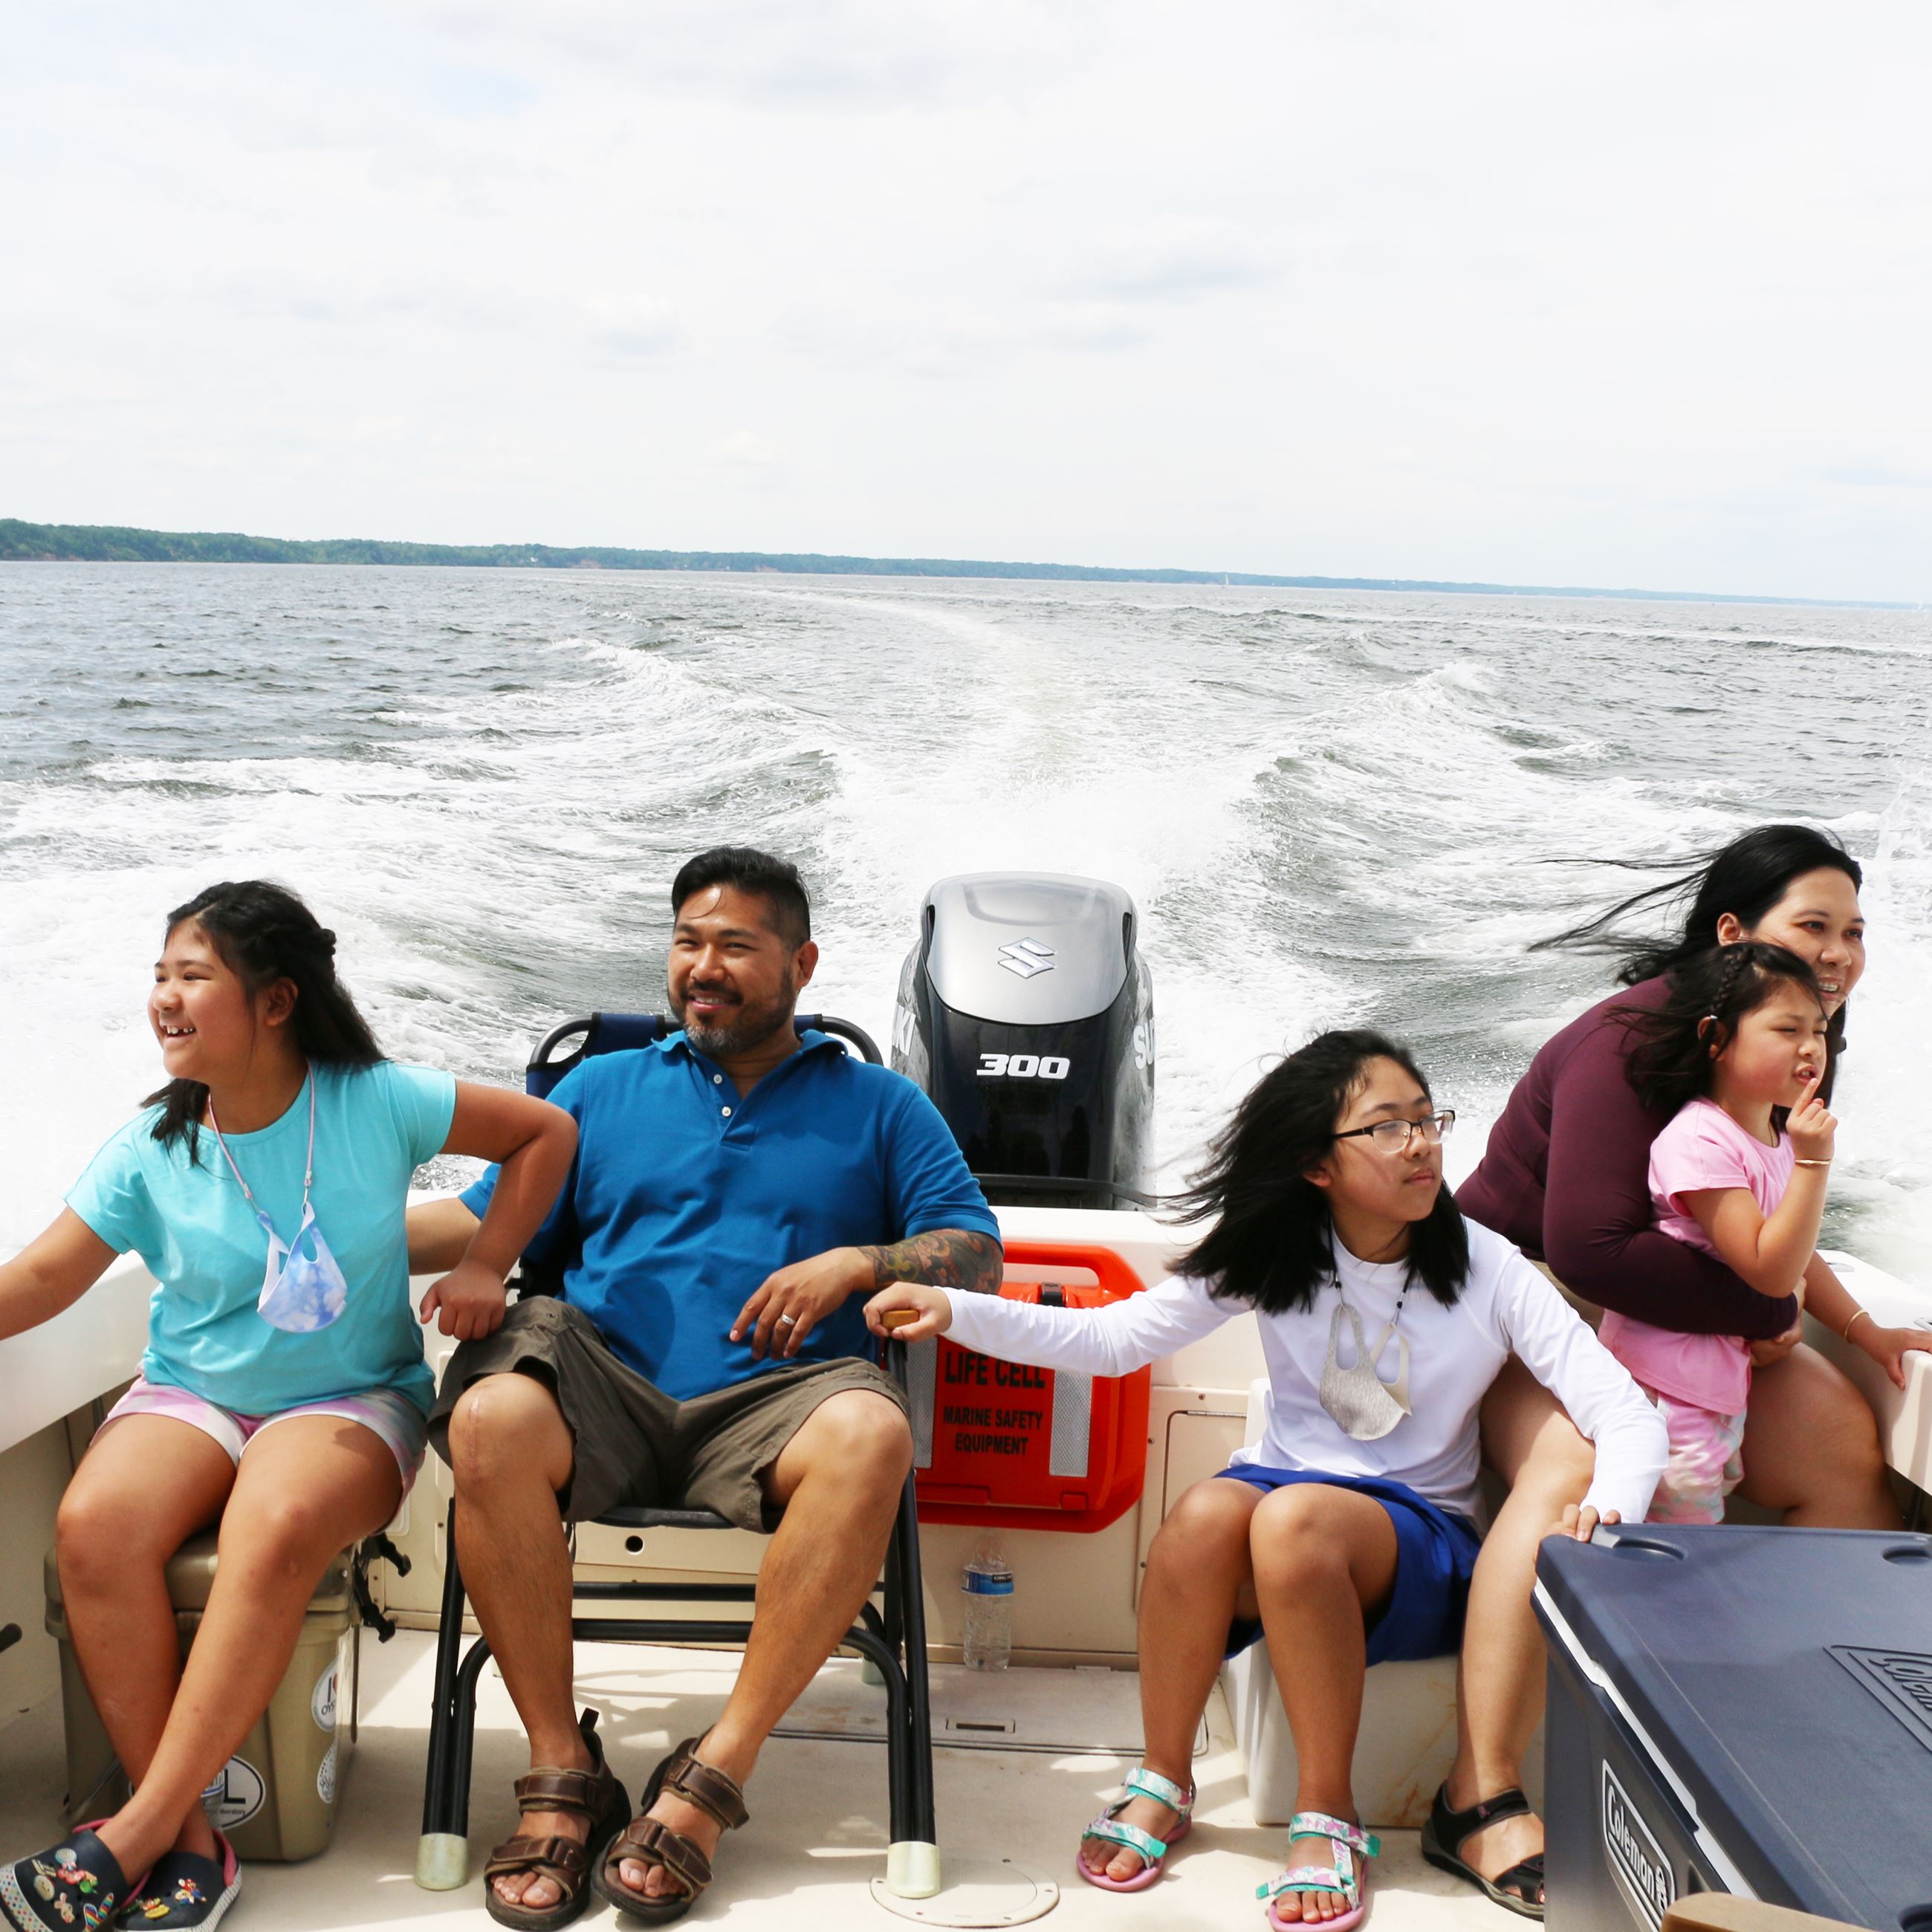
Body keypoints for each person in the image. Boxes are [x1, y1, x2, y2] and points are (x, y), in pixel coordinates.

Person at [866, 1029, 1666, 1931]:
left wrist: (1611, 1506)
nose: (1420, 1144)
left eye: (1426, 1118)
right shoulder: (1274, 1249)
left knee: (1290, 1520)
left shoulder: (1487, 1266)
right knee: (1205, 1509)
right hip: (1279, 1503)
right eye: (1387, 1126)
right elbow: (1113, 1338)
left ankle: (1326, 1811)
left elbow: (1625, 1413)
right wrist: (953, 1308)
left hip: (1416, 1537)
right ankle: (1164, 1775)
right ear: (1316, 1165)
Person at [406, 846, 1002, 1929]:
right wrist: (312, 1232)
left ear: (801, 965)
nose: (703, 967)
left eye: (735, 945)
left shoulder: (881, 1105)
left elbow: (975, 1249)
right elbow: (478, 1222)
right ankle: (563, 1768)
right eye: (687, 942)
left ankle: (713, 1773)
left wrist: (859, 1262)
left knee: (874, 1435)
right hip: (600, 1383)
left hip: (783, 1402)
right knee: (487, 1413)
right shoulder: (597, 1090)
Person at [0, 881, 577, 1932]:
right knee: (91, 1527)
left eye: (192, 976)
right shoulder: (151, 1146)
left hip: (350, 1397)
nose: (165, 998)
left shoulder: (376, 1098)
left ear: (274, 1001)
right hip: (192, 1390)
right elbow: (43, 1279)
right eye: (160, 976)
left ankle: (131, 1836)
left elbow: (544, 1132)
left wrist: (487, 1261)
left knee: (274, 1521)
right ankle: (189, 1841)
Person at [1604, 943, 1930, 1523]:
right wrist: (1814, 1163)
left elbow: (1799, 1256)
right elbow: (1770, 1271)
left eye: (1819, 1031)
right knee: (1673, 1545)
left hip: (1714, 1388)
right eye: (1787, 1029)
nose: (1811, 1047)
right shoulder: (1699, 1140)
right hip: (1666, 1388)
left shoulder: (1773, 1136)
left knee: (1695, 1528)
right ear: (1716, 1038)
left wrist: (1867, 1333)